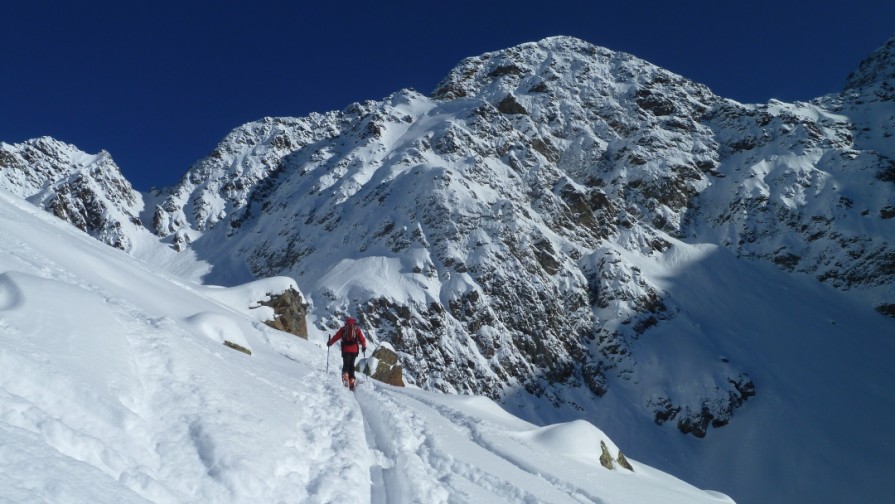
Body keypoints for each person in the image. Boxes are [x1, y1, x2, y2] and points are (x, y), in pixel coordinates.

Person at [327, 317, 367, 390]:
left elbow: (336, 337)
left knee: (346, 364)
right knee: (352, 365)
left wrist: (330, 343)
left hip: (345, 349)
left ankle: (345, 376)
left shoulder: (343, 329)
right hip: (354, 350)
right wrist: (364, 346)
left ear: (346, 322)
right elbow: (362, 339)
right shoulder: (357, 329)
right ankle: (351, 380)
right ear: (354, 322)